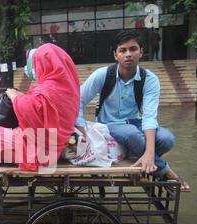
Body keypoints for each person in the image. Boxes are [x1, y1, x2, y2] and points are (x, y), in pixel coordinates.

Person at [75, 30, 190, 191]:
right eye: (123, 50)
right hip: (109, 125)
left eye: (133, 49)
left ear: (141, 52)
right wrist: (82, 130)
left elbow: (150, 117)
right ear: (115, 55)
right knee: (131, 134)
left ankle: (143, 155)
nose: (128, 54)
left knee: (167, 138)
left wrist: (149, 153)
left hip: (135, 123)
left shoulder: (149, 79)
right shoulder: (102, 75)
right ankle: (167, 172)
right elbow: (77, 101)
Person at [0, 43, 80, 190]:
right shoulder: (67, 87)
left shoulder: (48, 89)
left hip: (41, 151)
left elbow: (30, 111)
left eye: (37, 64)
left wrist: (15, 97)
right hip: (50, 145)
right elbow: (40, 112)